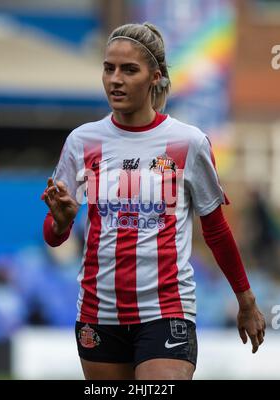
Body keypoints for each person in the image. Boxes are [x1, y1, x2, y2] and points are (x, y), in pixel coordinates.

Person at [41, 22, 266, 380]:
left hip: (167, 312)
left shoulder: (188, 142)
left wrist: (246, 299)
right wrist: (63, 221)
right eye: (109, 68)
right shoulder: (82, 141)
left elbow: (217, 231)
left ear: (154, 77)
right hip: (99, 314)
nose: (116, 79)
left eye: (129, 70)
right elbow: (54, 237)